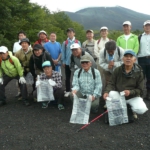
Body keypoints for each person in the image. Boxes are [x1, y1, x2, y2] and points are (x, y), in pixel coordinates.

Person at [103, 50, 147, 122]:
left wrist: (130, 92)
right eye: (126, 57)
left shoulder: (139, 72)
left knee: (141, 109)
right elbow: (111, 83)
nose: (128, 58)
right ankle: (124, 107)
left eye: (130, 57)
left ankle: (130, 108)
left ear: (134, 60)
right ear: (123, 59)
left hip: (133, 96)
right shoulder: (117, 70)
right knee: (110, 94)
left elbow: (140, 90)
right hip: (119, 95)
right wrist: (106, 92)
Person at [61, 28, 81, 97]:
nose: (69, 34)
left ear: (74, 33)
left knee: (77, 76)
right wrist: (63, 61)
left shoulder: (77, 42)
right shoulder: (65, 42)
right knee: (67, 77)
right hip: (67, 62)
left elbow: (80, 52)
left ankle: (77, 90)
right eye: (68, 32)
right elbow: (63, 52)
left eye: (71, 32)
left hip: (76, 63)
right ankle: (67, 90)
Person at [138, 20, 150, 100]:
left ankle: (148, 94)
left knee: (149, 78)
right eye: (146, 25)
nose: (147, 27)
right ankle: (140, 94)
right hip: (141, 59)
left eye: (149, 25)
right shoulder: (139, 37)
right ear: (143, 27)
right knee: (140, 77)